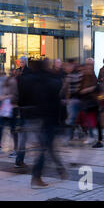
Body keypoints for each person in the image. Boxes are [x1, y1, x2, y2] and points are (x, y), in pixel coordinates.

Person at [31, 59, 67, 188]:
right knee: (46, 148)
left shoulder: (37, 80)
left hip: (40, 117)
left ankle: (60, 169)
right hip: (49, 118)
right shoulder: (50, 81)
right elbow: (58, 96)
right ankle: (37, 175)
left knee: (49, 146)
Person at [79, 58, 99, 146]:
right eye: (88, 64)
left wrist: (87, 90)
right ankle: (88, 134)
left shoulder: (90, 74)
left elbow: (94, 87)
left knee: (89, 119)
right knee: (86, 118)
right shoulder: (86, 73)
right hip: (86, 100)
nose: (89, 66)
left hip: (90, 101)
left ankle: (90, 136)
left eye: (91, 64)